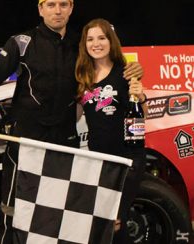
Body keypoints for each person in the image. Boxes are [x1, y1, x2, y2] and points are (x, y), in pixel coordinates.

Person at [0, 0, 143, 244]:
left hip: (64, 141)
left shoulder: (79, 45)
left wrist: (133, 70)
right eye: (50, 5)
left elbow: (107, 68)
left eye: (63, 4)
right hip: (26, 138)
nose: (57, 10)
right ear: (40, 9)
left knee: (59, 208)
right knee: (15, 207)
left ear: (71, 8)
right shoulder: (21, 42)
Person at [75, 18, 147, 244]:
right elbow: (75, 115)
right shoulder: (82, 77)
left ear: (111, 41)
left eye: (101, 38)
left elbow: (142, 114)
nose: (96, 43)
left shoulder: (126, 72)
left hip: (126, 159)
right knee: (102, 222)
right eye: (90, 39)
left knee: (115, 221)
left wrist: (141, 96)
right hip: (98, 160)